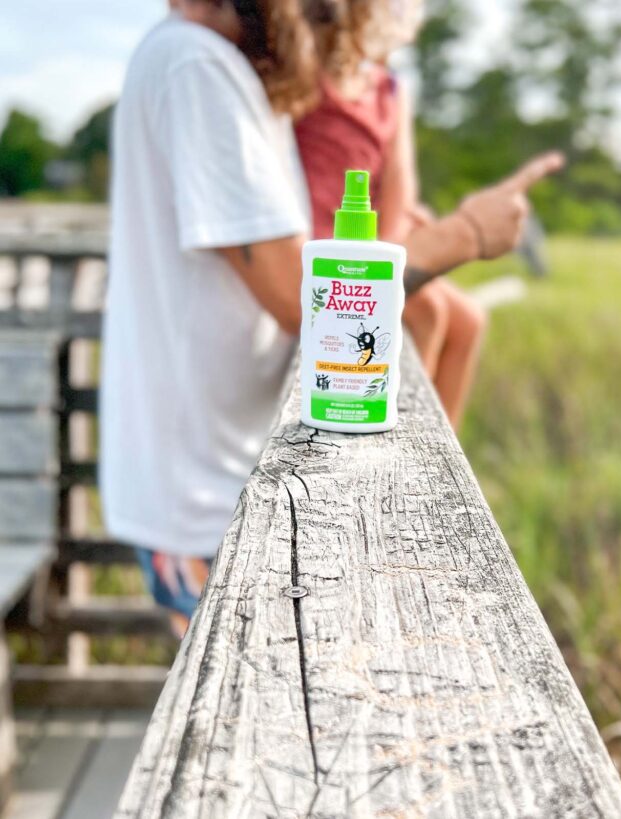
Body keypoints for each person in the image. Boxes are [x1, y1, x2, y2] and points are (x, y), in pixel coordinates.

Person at [102, 0, 560, 636]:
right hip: (202, 494)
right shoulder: (194, 66)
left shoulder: (228, 70)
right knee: (233, 711)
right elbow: (298, 294)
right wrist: (462, 235)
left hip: (231, 465)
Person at [296, 1, 487, 428]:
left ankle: (441, 446)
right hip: (320, 241)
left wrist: (390, 246)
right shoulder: (307, 74)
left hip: (379, 237)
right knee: (429, 310)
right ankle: (403, 434)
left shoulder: (391, 90)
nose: (403, 22)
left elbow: (400, 181)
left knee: (470, 319)